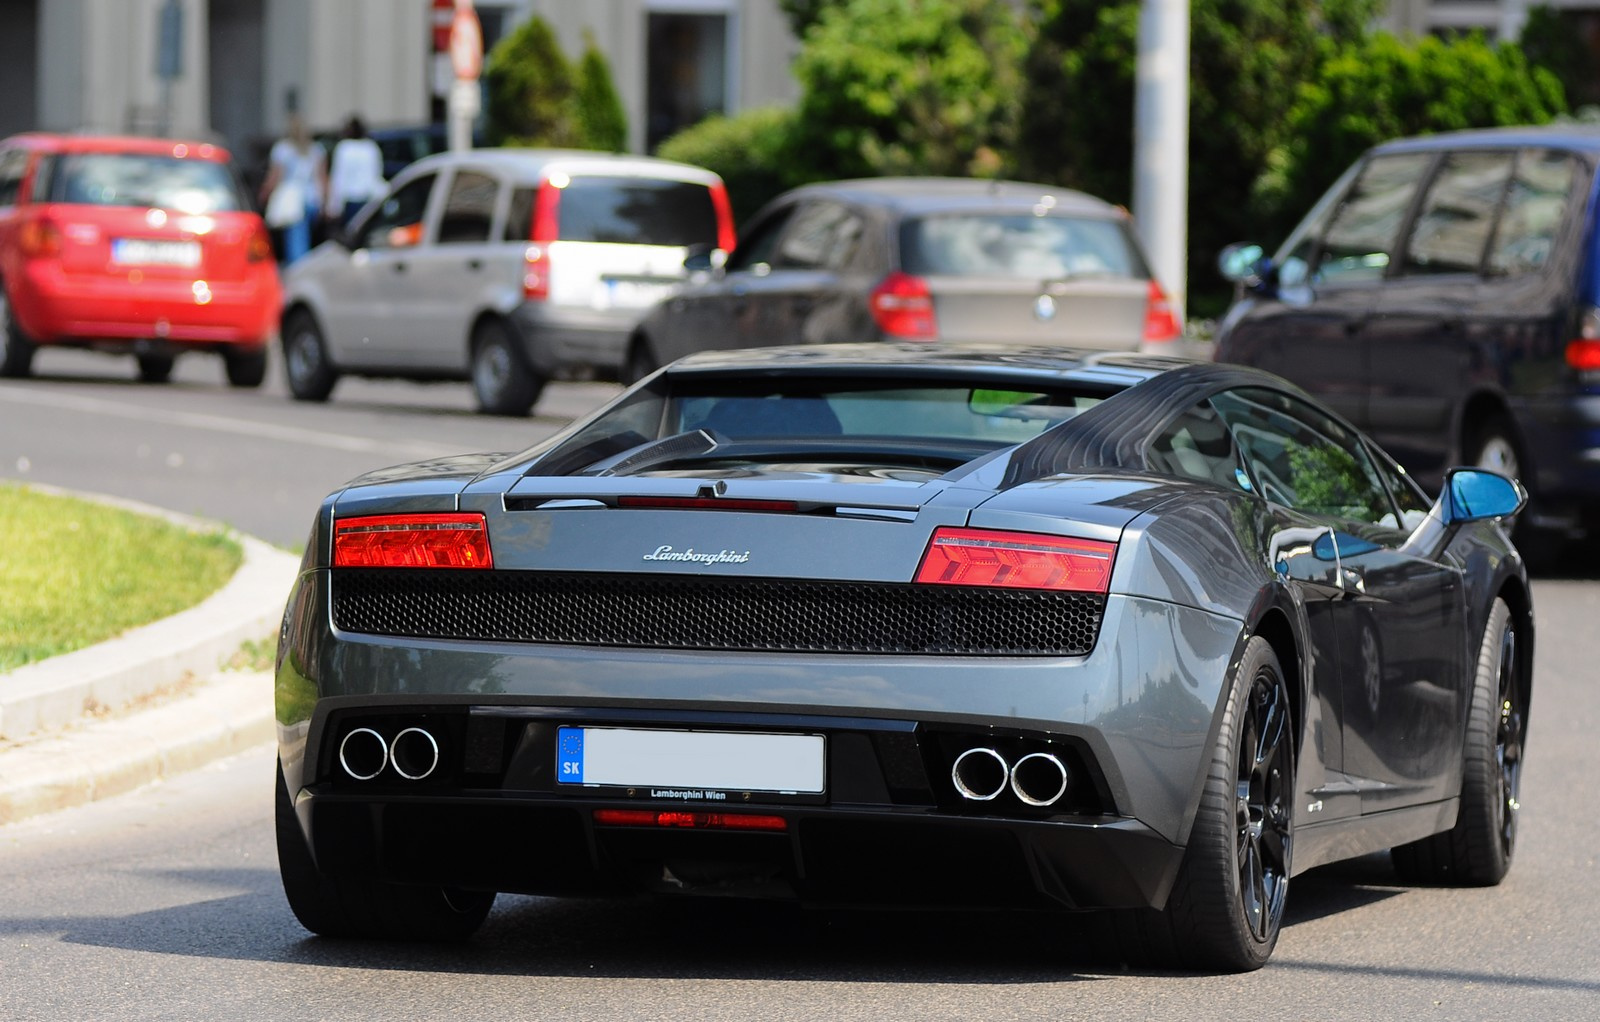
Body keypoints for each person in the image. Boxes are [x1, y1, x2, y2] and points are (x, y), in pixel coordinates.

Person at [259, 115, 327, 264]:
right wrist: (323, 202)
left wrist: (265, 194)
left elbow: (276, 177)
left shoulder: (283, 149)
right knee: (304, 236)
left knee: (295, 239)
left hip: (292, 199)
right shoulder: (316, 149)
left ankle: (299, 269)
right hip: (311, 198)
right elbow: (321, 178)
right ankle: (304, 265)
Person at [326, 115, 385, 229]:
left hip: (351, 201)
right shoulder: (371, 147)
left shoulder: (344, 148)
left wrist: (334, 206)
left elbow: (339, 178)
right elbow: (377, 174)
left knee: (352, 234)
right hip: (368, 199)